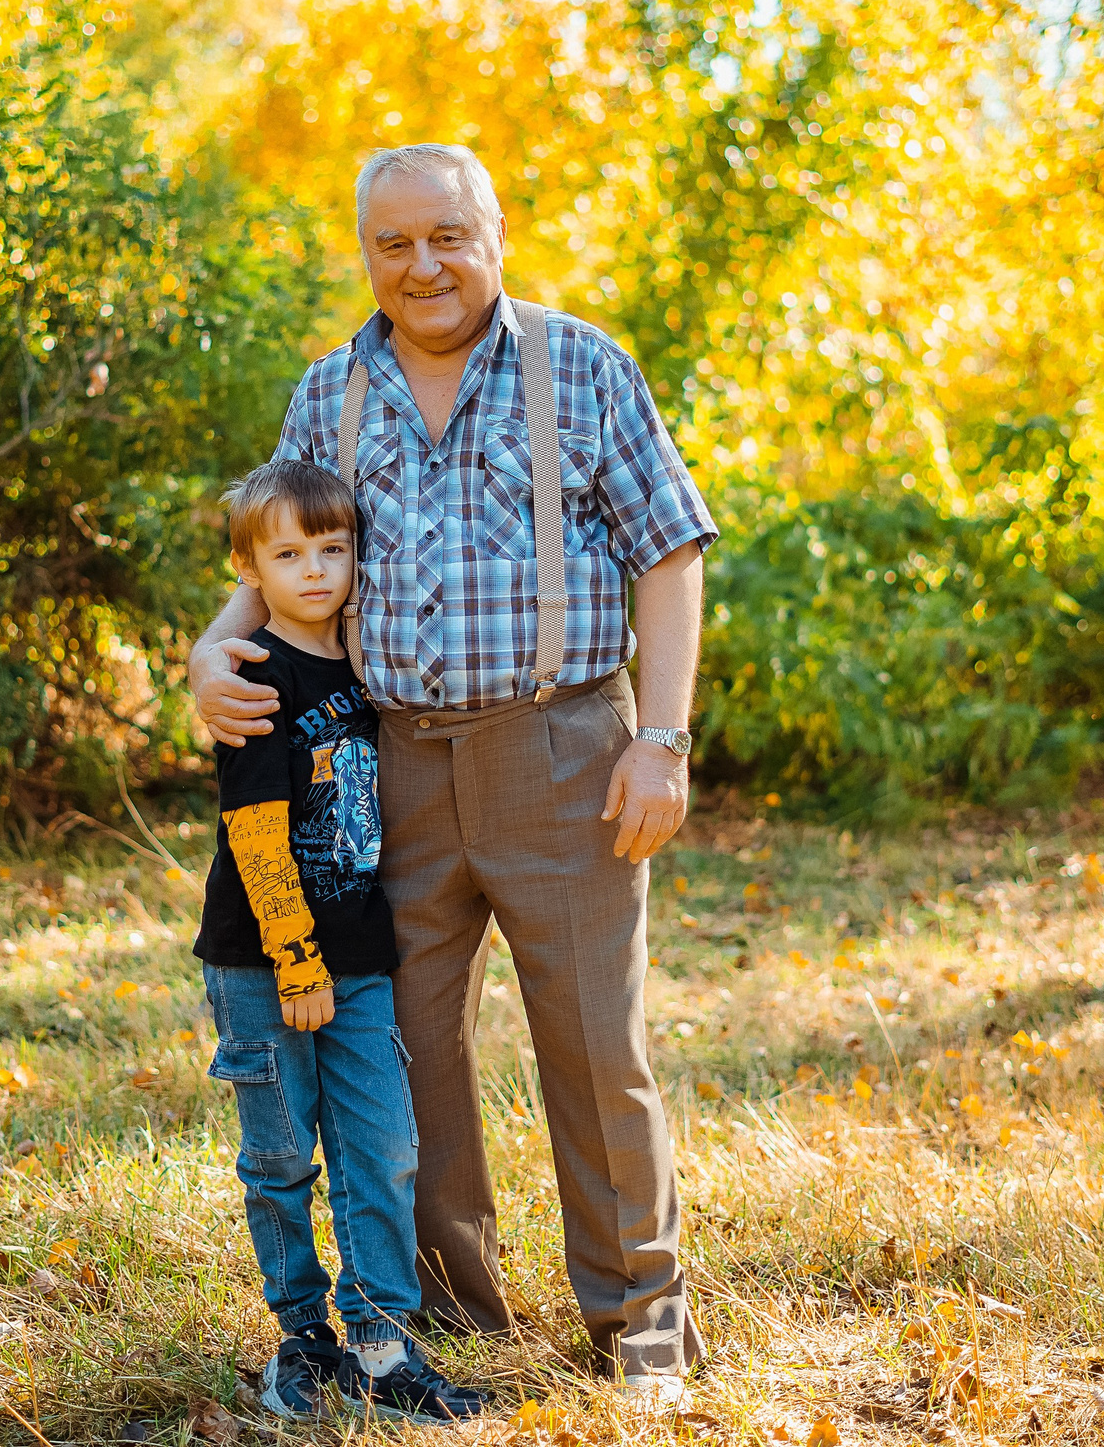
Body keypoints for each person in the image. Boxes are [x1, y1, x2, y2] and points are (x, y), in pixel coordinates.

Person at [189, 143, 713, 1401]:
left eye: (446, 236)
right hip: (384, 766)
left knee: (593, 1042)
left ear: (494, 232)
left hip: (565, 748)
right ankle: (446, 1314)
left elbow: (672, 551)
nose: (421, 265)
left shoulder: (581, 366)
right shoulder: (329, 394)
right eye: (393, 243)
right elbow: (276, 557)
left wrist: (663, 737)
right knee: (406, 1051)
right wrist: (212, 648)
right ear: (365, 252)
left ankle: (638, 1314)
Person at [194, 458, 489, 1426]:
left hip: (360, 963)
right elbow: (255, 833)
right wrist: (295, 960)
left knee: (384, 1149)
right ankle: (302, 1334)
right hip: (264, 964)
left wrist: (333, 962)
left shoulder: (366, 669)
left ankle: (380, 1342)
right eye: (289, 554)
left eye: (333, 548)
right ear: (250, 568)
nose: (316, 570)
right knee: (280, 1160)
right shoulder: (253, 678)